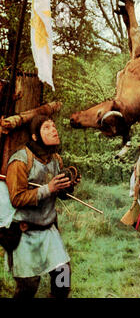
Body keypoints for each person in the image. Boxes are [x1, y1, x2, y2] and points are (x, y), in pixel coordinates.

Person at [5, 114, 77, 298]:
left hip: (48, 230)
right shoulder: (20, 161)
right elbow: (17, 198)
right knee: (28, 286)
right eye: (47, 127)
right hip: (24, 234)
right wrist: (49, 188)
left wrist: (67, 187)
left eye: (54, 126)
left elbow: (58, 193)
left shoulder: (56, 160)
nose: (54, 130)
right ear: (35, 136)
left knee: (63, 277)